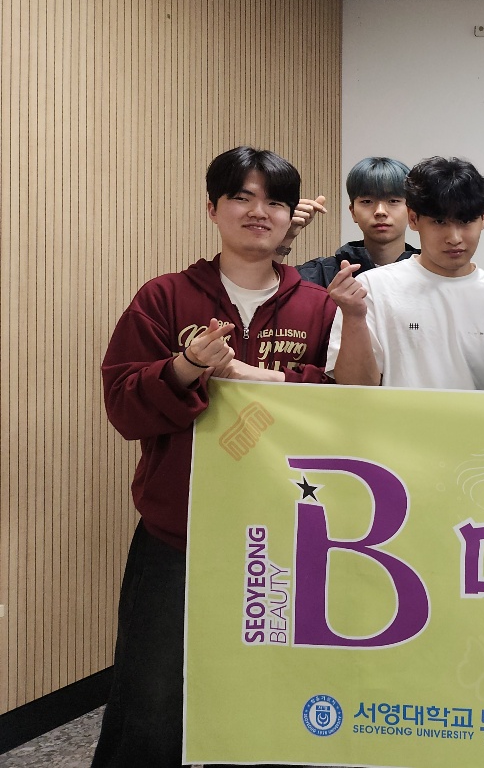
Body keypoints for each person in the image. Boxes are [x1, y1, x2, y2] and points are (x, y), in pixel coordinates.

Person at [97, 146, 348, 766]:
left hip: (287, 536)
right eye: (241, 196)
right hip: (179, 533)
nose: (259, 211)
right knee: (154, 696)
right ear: (212, 208)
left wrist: (261, 379)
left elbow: (345, 407)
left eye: (274, 201)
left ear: (291, 217)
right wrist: (186, 366)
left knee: (271, 692)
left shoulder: (319, 306)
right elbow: (123, 407)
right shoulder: (164, 297)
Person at [327, 156, 484, 391]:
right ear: (414, 219)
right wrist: (354, 317)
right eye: (439, 222)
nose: (454, 238)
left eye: (466, 221)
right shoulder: (372, 288)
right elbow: (353, 388)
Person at [285, 156, 420, 285]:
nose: (380, 211)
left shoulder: (428, 272)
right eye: (367, 201)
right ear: (353, 212)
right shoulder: (320, 274)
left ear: (412, 212)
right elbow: (274, 291)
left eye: (393, 201)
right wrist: (288, 235)